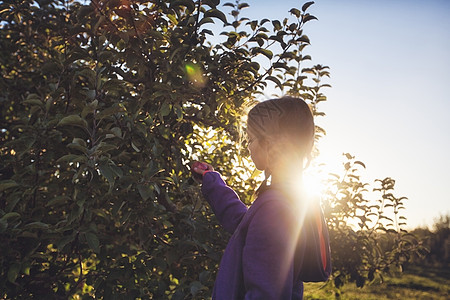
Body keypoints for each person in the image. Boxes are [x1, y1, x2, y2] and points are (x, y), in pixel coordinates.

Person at [192, 96, 331, 300]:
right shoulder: (290, 199)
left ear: (270, 144)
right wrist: (213, 182)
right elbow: (245, 223)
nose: (248, 146)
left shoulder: (275, 209)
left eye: (250, 139)